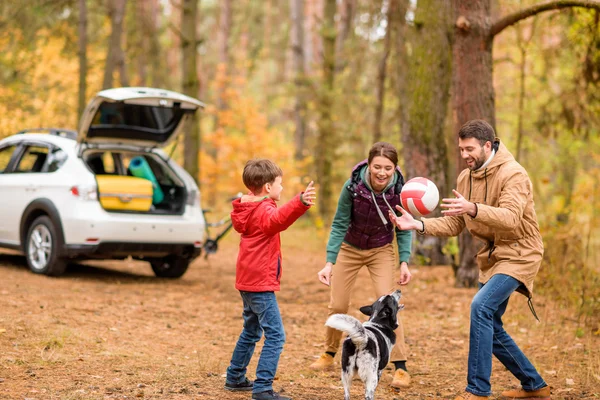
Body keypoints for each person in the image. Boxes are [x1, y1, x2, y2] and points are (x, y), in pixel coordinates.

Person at [388, 119, 551, 400]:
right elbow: (455, 225)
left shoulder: (514, 174)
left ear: (488, 145)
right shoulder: (466, 177)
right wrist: (419, 225)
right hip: (492, 258)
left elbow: (512, 219)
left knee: (480, 308)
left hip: (521, 253)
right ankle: (535, 385)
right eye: (461, 149)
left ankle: (477, 390)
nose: (465, 155)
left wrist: (474, 208)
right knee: (490, 324)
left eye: (470, 149)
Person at [309, 142, 413, 390]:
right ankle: (330, 353)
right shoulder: (353, 187)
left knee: (390, 304)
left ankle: (400, 367)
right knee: (338, 304)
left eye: (388, 168)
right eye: (377, 166)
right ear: (369, 165)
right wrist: (329, 262)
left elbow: (405, 228)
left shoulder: (401, 190)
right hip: (350, 248)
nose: (382, 172)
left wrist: (404, 261)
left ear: (395, 168)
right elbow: (338, 224)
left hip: (381, 249)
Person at [224, 159, 316, 400]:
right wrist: (299, 202)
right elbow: (277, 221)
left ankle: (234, 377)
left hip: (247, 280)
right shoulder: (264, 209)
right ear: (267, 187)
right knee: (276, 335)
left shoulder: (247, 207)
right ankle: (263, 388)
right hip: (259, 283)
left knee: (251, 330)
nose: (282, 188)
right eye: (279, 184)